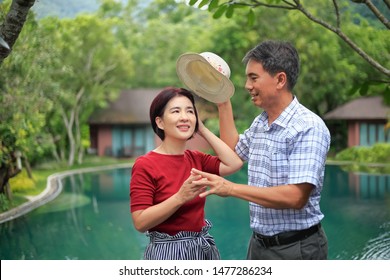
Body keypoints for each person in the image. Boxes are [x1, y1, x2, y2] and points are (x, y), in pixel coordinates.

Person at [191, 40, 331, 260]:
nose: (247, 85)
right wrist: (222, 100)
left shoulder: (308, 127)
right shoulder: (261, 123)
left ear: (280, 80)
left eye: (253, 77)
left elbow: (295, 197)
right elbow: (232, 153)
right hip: (258, 244)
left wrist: (230, 188)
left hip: (296, 248)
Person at [130, 87, 243, 260]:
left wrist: (203, 130)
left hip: (201, 248)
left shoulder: (196, 158)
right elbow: (140, 221)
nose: (185, 117)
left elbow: (234, 163)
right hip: (167, 254)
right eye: (176, 111)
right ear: (160, 122)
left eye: (190, 111)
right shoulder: (145, 164)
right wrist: (180, 197)